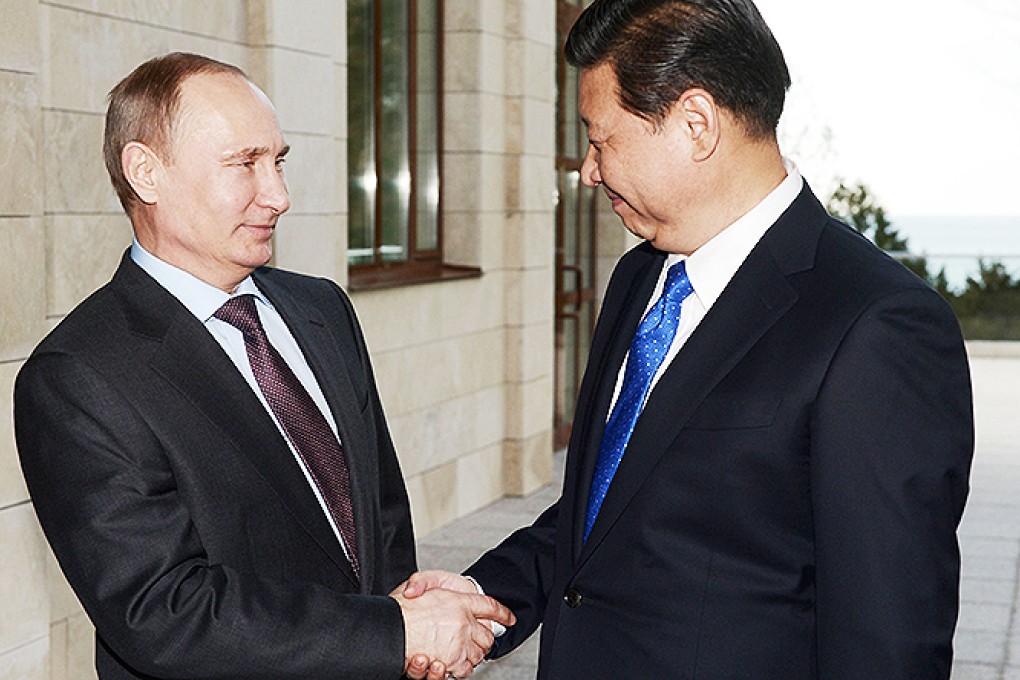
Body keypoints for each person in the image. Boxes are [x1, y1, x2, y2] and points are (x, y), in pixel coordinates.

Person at [403, 1, 974, 677]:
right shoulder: (638, 276)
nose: (588, 169)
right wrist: (489, 594)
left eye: (600, 137)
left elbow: (887, 643)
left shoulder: (876, 325)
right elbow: (616, 505)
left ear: (696, 123)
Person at [14, 52, 511, 680]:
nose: (277, 195)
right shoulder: (77, 376)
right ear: (145, 172)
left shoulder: (321, 307)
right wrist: (390, 630)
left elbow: (379, 512)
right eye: (243, 164)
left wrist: (408, 621)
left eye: (276, 162)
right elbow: (164, 612)